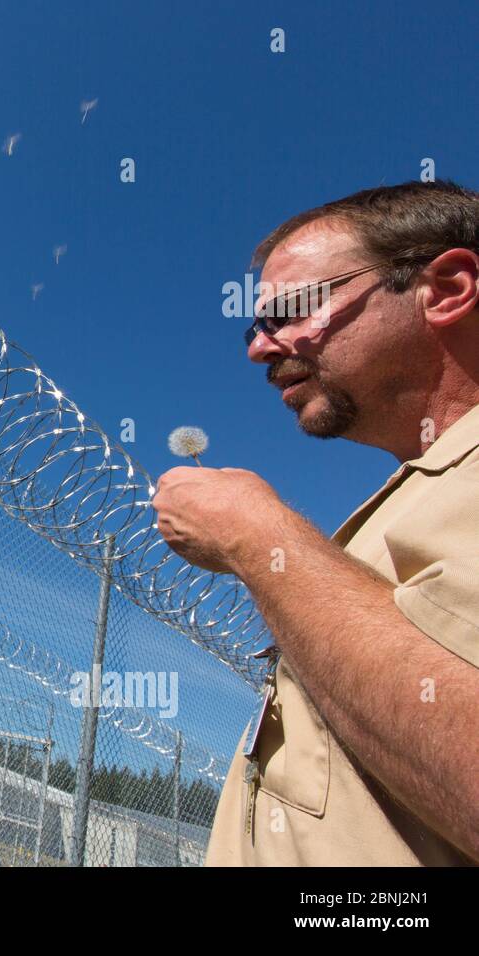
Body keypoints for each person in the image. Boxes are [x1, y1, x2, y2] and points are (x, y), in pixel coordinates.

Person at [152, 180, 479, 864]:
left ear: (445, 289)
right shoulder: (406, 500)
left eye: (292, 311)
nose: (259, 349)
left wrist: (256, 533)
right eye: (255, 325)